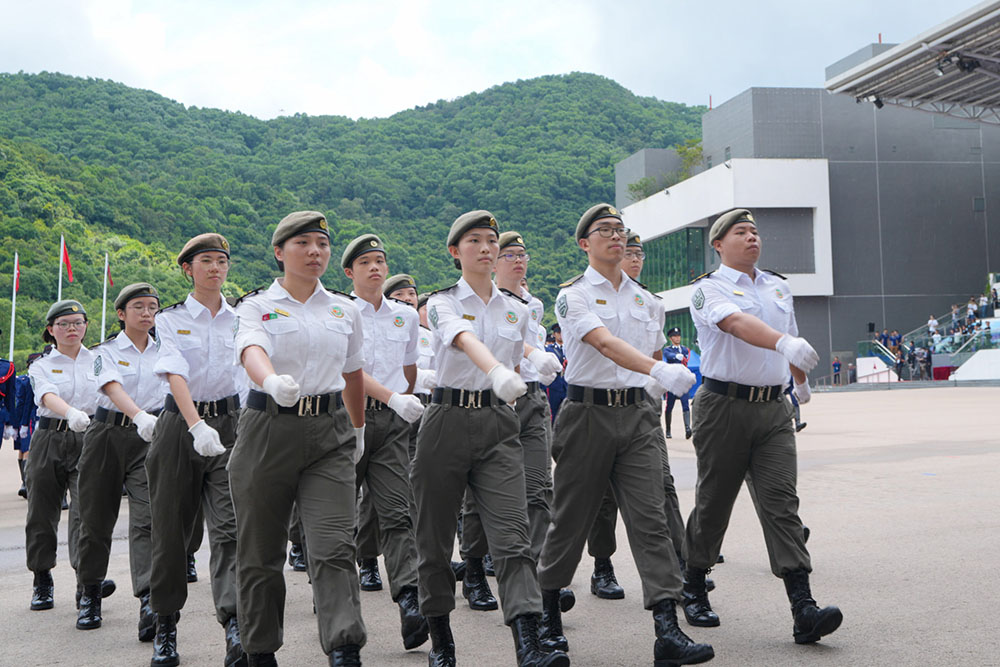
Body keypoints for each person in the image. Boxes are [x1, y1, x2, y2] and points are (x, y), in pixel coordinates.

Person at [536, 203, 713, 666]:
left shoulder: (647, 300)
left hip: (637, 417)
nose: (616, 237)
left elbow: (651, 352)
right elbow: (602, 342)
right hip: (587, 414)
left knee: (651, 519)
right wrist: (659, 368)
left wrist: (655, 381)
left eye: (621, 230)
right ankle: (548, 616)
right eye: (605, 231)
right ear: (584, 242)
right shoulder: (571, 296)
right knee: (571, 519)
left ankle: (666, 629)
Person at [411, 210, 568, 666]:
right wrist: (496, 369)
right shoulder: (441, 302)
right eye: (475, 240)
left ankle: (529, 644)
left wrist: (535, 361)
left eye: (491, 241)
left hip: (500, 423)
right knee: (435, 539)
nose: (485, 248)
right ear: (455, 252)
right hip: (446, 419)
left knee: (513, 535)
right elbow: (461, 338)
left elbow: (522, 349)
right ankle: (441, 640)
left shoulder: (517, 310)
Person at [683, 208, 841, 646]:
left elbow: (793, 338)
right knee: (715, 502)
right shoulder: (708, 289)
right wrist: (784, 343)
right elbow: (736, 324)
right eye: (740, 232)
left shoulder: (777, 286)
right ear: (718, 244)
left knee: (781, 503)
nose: (752, 238)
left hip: (772, 408)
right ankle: (693, 582)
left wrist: (801, 383)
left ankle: (803, 608)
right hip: (723, 406)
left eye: (755, 231)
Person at [231, 211, 368, 665]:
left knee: (333, 546)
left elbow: (352, 373)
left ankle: (345, 647)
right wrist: (269, 381)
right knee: (261, 551)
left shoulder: (345, 308)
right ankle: (260, 650)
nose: (315, 252)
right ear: (279, 251)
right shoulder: (255, 305)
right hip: (267, 429)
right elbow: (252, 348)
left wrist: (359, 428)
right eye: (303, 243)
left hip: (330, 432)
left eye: (322, 244)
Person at [147, 233, 245, 667]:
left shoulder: (241, 319)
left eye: (221, 261)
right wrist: (195, 424)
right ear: (188, 269)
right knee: (172, 533)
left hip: (230, 425)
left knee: (231, 529)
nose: (215, 268)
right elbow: (174, 374)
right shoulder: (169, 320)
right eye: (206, 261)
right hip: (179, 427)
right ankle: (165, 624)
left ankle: (235, 627)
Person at [458, 231, 563, 613]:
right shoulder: (481, 303)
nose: (518, 261)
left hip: (532, 401)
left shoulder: (532, 303)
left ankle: (534, 576)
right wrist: (535, 354)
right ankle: (473, 567)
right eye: (511, 255)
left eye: (523, 255)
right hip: (494, 401)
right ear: (494, 262)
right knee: (480, 495)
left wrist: (538, 365)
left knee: (538, 489)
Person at [341, 234, 428, 651]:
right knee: (338, 517)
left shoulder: (405, 317)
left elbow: (409, 369)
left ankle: (410, 600)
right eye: (365, 263)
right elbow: (349, 374)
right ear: (349, 272)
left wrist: (398, 399)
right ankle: (337, 602)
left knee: (398, 511)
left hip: (391, 425)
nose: (376, 268)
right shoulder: (338, 311)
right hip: (344, 421)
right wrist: (392, 395)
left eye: (380, 261)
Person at [75, 283, 163, 637]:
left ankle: (148, 600)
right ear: (121, 314)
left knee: (148, 519)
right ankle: (90, 591)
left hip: (150, 439)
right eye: (138, 306)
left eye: (152, 307)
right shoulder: (104, 351)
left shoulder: (166, 351)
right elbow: (111, 386)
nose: (146, 313)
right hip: (107, 436)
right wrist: (139, 415)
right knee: (96, 519)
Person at [25, 300, 113, 612]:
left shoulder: (100, 359)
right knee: (42, 511)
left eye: (77, 322)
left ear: (86, 326)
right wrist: (70, 412)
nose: (72, 329)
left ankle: (87, 582)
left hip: (89, 437)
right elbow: (45, 394)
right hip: (50, 437)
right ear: (51, 330)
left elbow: (112, 391)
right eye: (64, 324)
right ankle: (42, 577)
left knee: (87, 513)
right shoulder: (41, 364)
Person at [13, 357, 41, 498]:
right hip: (30, 418)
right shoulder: (25, 380)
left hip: (39, 417)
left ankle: (28, 483)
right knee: (26, 450)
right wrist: (19, 423)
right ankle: (26, 483)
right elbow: (22, 403)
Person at [663, 328, 693, 439]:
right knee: (669, 405)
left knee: (685, 404)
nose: (677, 338)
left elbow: (686, 358)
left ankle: (687, 428)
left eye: (678, 336)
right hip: (672, 382)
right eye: (674, 336)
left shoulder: (685, 349)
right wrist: (676, 356)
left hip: (682, 381)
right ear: (670, 338)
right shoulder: (668, 349)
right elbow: (668, 356)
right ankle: (668, 430)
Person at [543, 324, 567, 422]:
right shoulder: (549, 349)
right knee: (553, 411)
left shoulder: (569, 348)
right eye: (558, 332)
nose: (560, 334)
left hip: (567, 383)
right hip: (555, 384)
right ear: (554, 334)